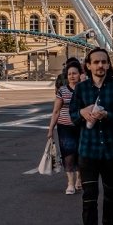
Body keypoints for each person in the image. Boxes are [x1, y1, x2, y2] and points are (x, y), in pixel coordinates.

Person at [70, 47, 113, 225]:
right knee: (89, 195)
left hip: (112, 149)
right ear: (88, 65)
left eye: (104, 62)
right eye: (96, 62)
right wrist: (81, 112)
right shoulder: (81, 89)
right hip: (88, 149)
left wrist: (107, 116)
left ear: (108, 64)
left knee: (111, 193)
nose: (100, 66)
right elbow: (72, 117)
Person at [47, 61, 83, 195]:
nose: (72, 76)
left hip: (81, 126)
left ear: (80, 75)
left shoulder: (85, 89)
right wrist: (51, 129)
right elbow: (56, 111)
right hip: (64, 127)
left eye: (75, 73)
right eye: (69, 74)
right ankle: (70, 183)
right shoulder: (62, 90)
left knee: (81, 153)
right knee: (68, 154)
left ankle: (79, 179)